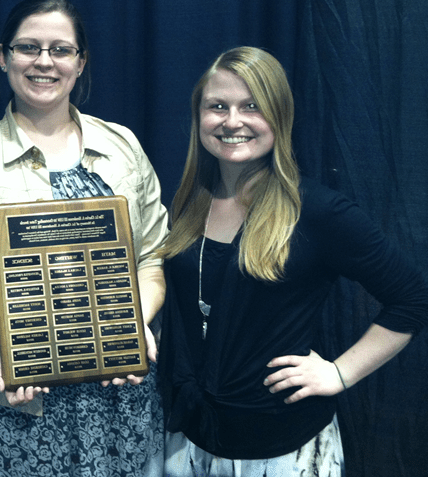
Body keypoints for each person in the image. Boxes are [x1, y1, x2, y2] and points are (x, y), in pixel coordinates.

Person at [0, 0, 169, 476]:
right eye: (28, 47)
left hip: (116, 395)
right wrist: (16, 347)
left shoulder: (123, 146)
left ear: (81, 61)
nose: (44, 61)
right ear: (3, 56)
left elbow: (153, 256)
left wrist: (129, 327)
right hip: (8, 398)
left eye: (61, 49)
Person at [157, 46, 426, 476]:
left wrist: (339, 373)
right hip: (190, 438)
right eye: (217, 107)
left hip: (282, 447)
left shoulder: (318, 211)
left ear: (279, 116)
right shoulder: (190, 204)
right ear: (199, 117)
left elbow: (412, 299)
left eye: (252, 107)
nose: (232, 121)